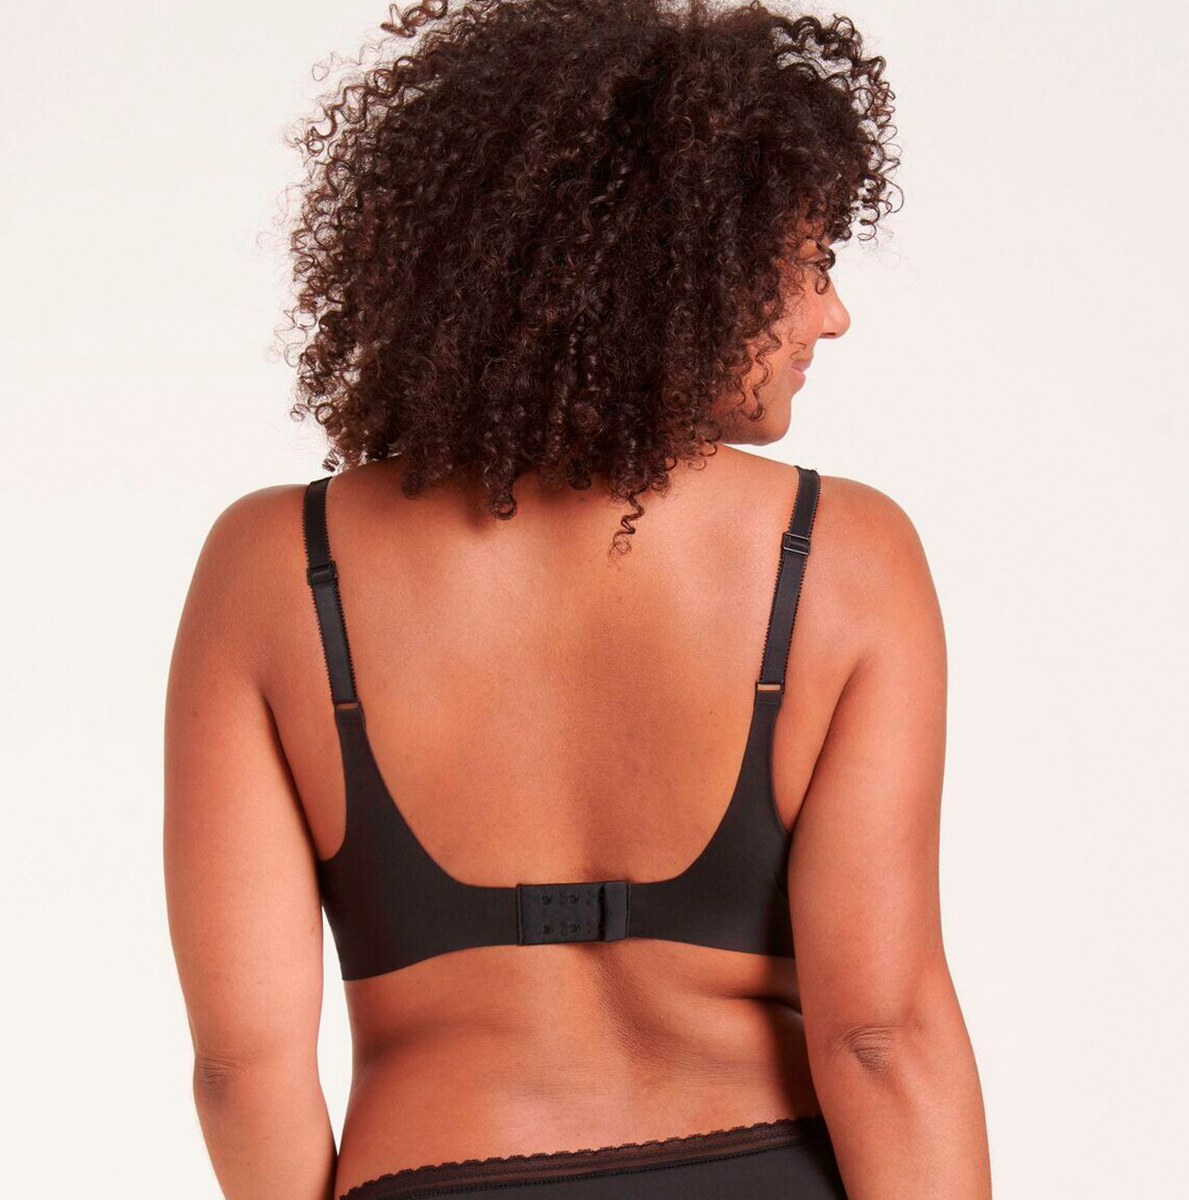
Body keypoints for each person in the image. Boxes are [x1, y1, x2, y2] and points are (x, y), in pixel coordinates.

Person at [164, 2, 991, 1197]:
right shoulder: (842, 556)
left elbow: (240, 1067)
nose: (833, 314)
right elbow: (880, 1036)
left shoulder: (276, 567)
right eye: (810, 264)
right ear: (687, 267)